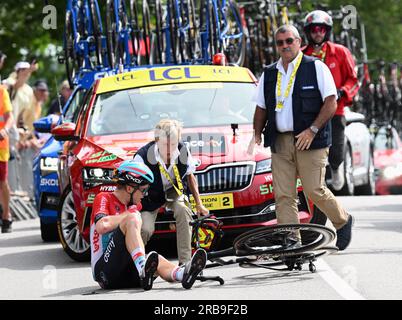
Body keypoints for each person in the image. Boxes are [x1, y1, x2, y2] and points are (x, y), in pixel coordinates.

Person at [249, 24, 353, 251]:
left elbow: (331, 102)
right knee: (283, 194)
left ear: (298, 42)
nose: (285, 46)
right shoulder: (269, 73)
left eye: (289, 41)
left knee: (313, 189)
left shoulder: (315, 67)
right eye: (280, 42)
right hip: (280, 140)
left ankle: (343, 220)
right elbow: (261, 107)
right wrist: (256, 133)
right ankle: (290, 239)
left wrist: (312, 130)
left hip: (310, 139)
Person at [91, 159, 207, 290]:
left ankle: (182, 274)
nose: (144, 195)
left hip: (127, 274)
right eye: (143, 190)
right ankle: (142, 268)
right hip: (105, 273)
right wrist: (129, 215)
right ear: (129, 188)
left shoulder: (135, 204)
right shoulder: (104, 197)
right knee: (133, 218)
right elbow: (102, 226)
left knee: (156, 259)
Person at [133, 119, 209, 264]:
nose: (169, 149)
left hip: (174, 190)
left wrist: (199, 204)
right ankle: (134, 264)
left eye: (173, 145)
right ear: (156, 140)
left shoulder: (182, 151)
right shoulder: (142, 156)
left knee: (184, 210)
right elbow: (134, 186)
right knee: (145, 229)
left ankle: (185, 263)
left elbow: (190, 176)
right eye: (165, 145)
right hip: (149, 195)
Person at [302, 10, 359, 190]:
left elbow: (353, 79)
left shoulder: (340, 52)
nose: (318, 32)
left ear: (327, 31)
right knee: (308, 148)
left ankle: (336, 168)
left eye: (322, 29)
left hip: (336, 110)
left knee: (336, 152)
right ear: (308, 32)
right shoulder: (302, 54)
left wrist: (343, 91)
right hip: (310, 112)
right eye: (314, 29)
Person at [0, 83, 15, 233]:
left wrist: (5, 129)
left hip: (0, 145)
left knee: (2, 181)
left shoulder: (1, 92)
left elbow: (9, 117)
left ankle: (6, 215)